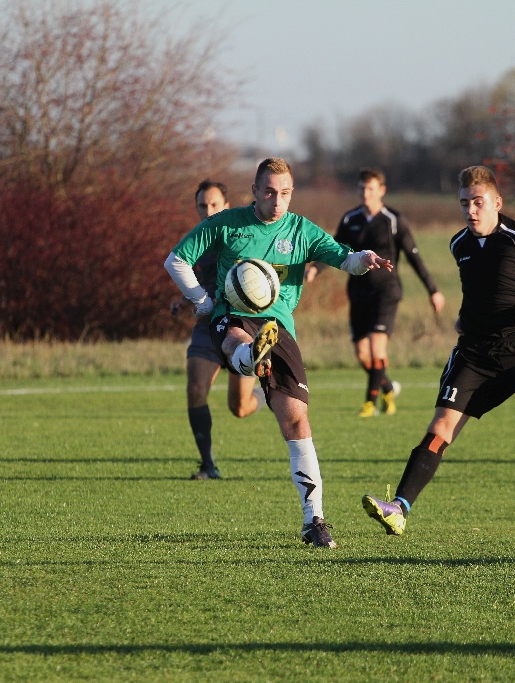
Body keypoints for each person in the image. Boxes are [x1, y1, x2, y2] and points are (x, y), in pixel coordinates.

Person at [165, 158, 393, 548]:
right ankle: (250, 357)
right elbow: (176, 260)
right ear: (254, 191)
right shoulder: (226, 224)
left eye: (284, 193)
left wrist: (364, 259)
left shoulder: (301, 231)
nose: (277, 200)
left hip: (279, 329)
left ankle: (314, 520)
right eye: (269, 192)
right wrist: (202, 301)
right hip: (232, 315)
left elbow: (343, 257)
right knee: (236, 336)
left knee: (296, 420)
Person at [361, 165, 515, 535]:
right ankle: (398, 507)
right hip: (476, 352)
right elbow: (481, 290)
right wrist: (464, 316)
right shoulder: (458, 244)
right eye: (464, 204)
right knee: (441, 427)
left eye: (478, 202)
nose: (471, 211)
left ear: (497, 202)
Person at [305, 168, 445, 417]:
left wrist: (433, 290)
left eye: (370, 188)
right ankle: (388, 388)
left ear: (381, 190)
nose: (365, 193)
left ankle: (369, 403)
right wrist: (316, 267)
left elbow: (415, 258)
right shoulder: (350, 220)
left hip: (386, 292)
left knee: (377, 348)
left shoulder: (393, 220)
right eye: (361, 188)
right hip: (358, 292)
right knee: (362, 354)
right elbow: (334, 249)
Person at [175, 180, 267, 481]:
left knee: (239, 408)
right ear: (197, 207)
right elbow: (194, 281)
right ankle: (208, 465)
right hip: (206, 329)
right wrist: (183, 300)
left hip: (239, 327)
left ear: (226, 206)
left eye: (214, 204)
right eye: (203, 205)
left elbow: (257, 284)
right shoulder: (197, 242)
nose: (209, 210)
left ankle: (263, 395)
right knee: (195, 389)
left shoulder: (240, 238)